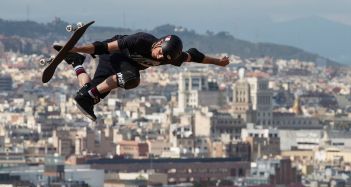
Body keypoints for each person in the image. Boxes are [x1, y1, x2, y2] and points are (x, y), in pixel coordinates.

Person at [57, 32, 230, 121]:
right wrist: (76, 48)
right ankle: (88, 90)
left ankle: (76, 63)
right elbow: (102, 47)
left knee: (86, 93)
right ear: (159, 43)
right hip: (114, 55)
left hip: (125, 67)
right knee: (131, 78)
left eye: (165, 58)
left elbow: (195, 56)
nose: (160, 58)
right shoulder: (140, 41)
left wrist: (218, 62)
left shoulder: (172, 57)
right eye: (161, 53)